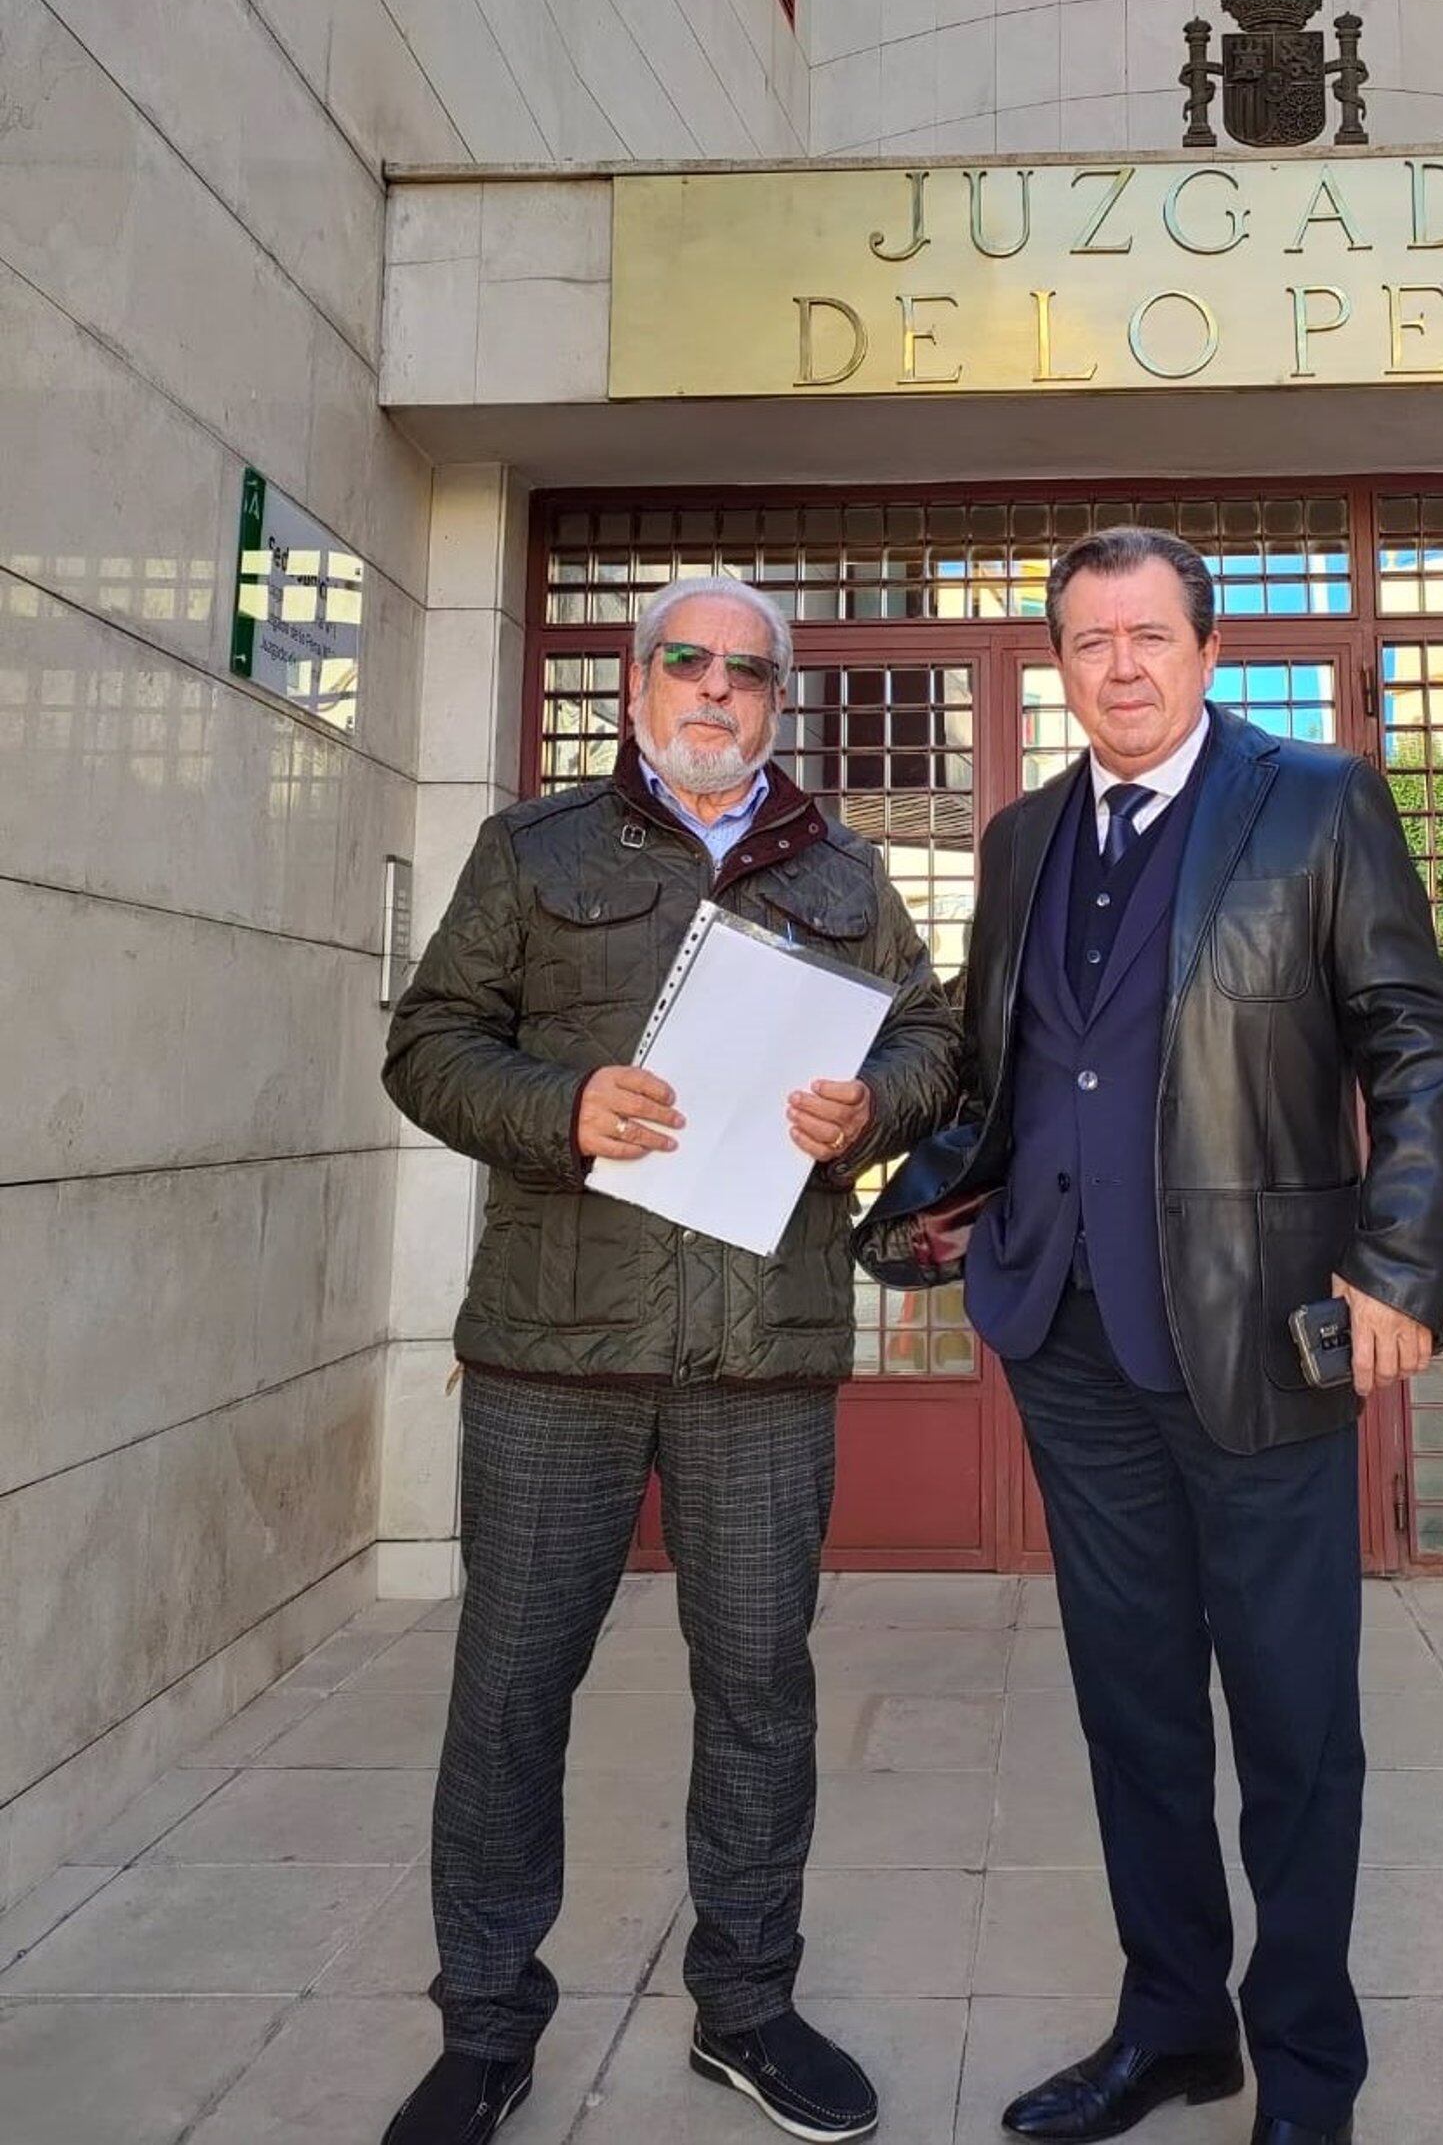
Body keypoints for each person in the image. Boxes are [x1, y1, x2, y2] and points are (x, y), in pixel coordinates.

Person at [379, 573, 961, 2145]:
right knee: (510, 1691)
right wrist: (559, 1108)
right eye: (687, 660)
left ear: (782, 698)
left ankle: (749, 2006)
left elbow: (931, 1035)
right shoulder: (534, 847)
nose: (717, 688)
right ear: (638, 679)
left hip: (762, 1352)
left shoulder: (842, 867)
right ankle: (487, 2026)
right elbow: (428, 1041)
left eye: (749, 671)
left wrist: (876, 1106)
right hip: (552, 1354)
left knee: (762, 1689)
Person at [955, 527, 1443, 2145]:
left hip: (1266, 1338)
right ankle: (1174, 2020)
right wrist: (939, 1193)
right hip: (1073, 1339)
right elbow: (1011, 1066)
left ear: (1204, 646)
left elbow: (1419, 1041)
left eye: (1149, 634)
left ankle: (1306, 2076)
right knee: (1135, 1713)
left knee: (1296, 1722)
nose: (1120, 664)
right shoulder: (1023, 834)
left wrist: (1400, 1265)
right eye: (1090, 639)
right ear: (1060, 663)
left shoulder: (1313, 800)